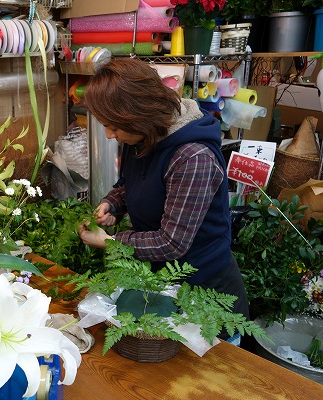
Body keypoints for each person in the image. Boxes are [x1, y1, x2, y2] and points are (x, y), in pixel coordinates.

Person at [77, 58, 249, 340]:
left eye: (114, 127)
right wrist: (113, 203)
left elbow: (172, 242)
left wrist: (109, 242)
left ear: (138, 115)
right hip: (162, 286)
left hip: (206, 297)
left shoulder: (193, 158)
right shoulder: (143, 136)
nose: (109, 135)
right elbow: (132, 184)